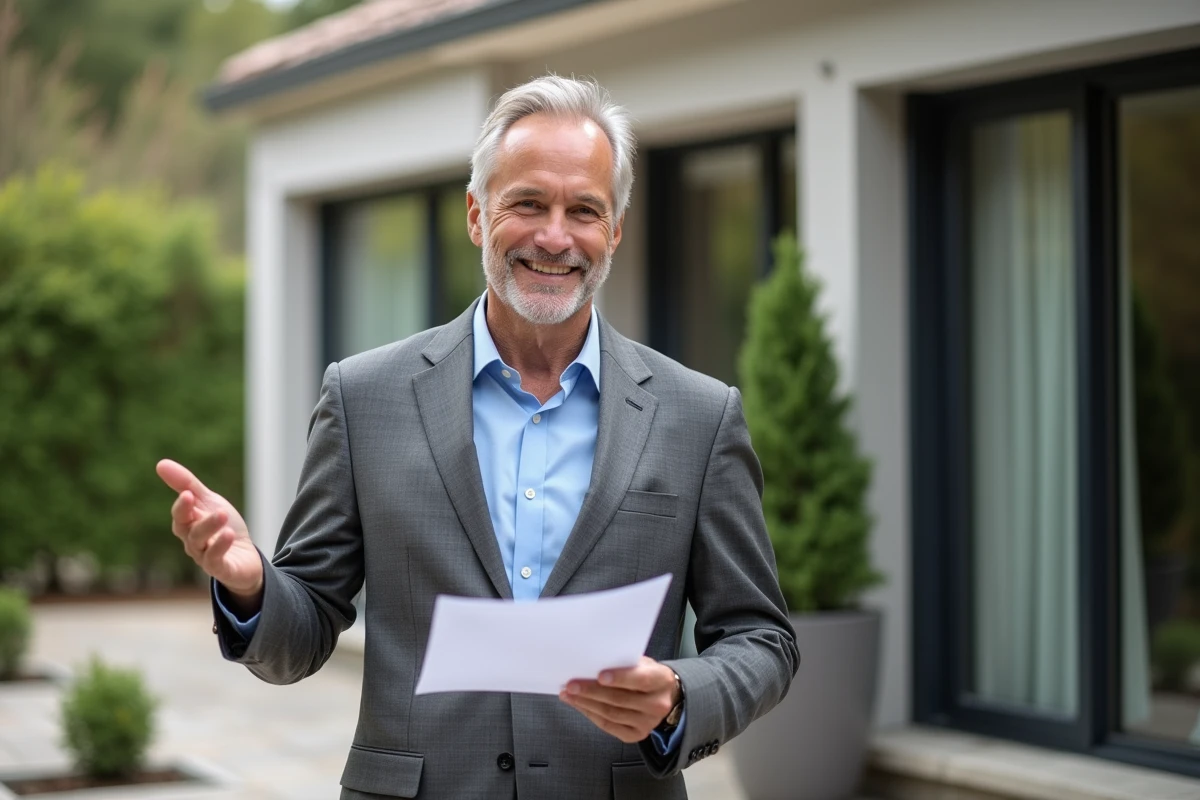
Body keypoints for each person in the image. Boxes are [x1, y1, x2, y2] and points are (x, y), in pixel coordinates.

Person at [157, 75, 797, 800]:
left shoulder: (698, 417)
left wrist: (684, 693)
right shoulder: (364, 398)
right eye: (527, 203)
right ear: (476, 214)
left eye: (583, 210)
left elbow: (761, 639)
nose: (555, 236)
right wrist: (250, 586)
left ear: (614, 229)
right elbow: (304, 629)